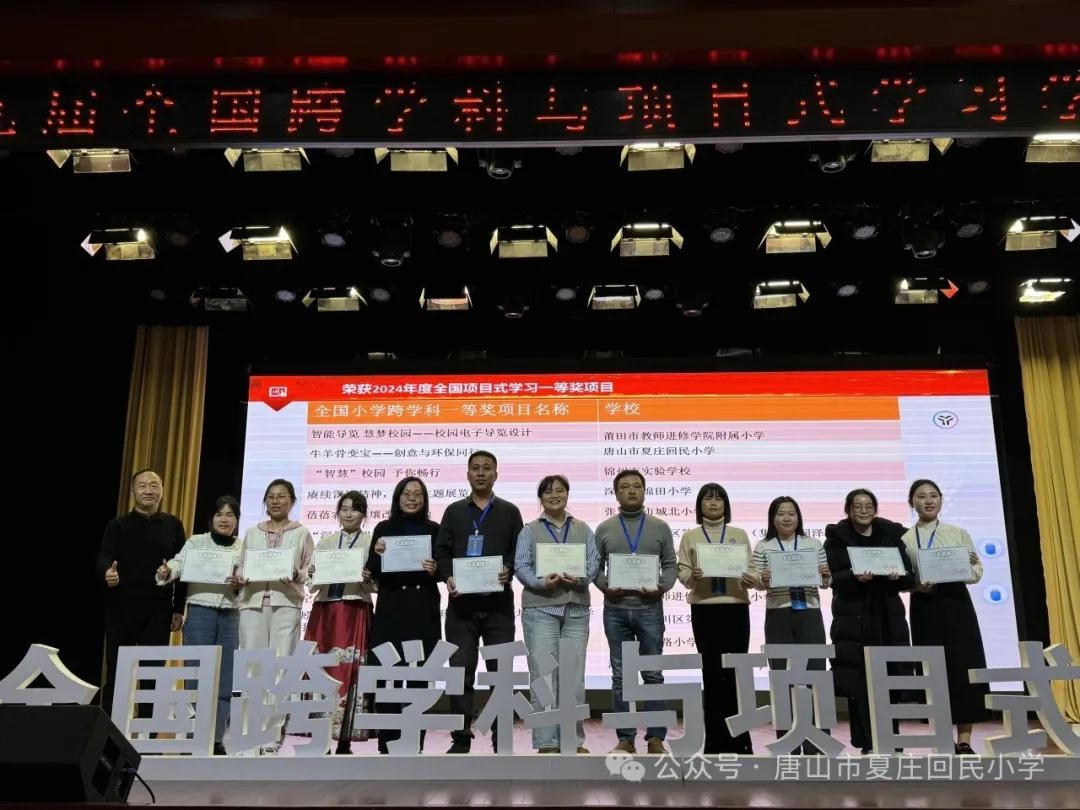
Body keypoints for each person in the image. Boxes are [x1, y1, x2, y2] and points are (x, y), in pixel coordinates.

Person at [434, 450, 524, 754]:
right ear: (468, 474)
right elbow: (442, 551)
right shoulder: (454, 511)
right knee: (460, 672)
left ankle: (502, 739)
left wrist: (508, 569)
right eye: (476, 468)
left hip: (499, 607)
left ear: (496, 474)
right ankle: (461, 738)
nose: (481, 473)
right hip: (461, 608)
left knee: (501, 675)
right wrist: (448, 577)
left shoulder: (510, 512)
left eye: (487, 468)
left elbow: (518, 550)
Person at [901, 478, 988, 755]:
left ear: (940, 499)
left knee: (965, 667)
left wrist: (968, 566)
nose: (928, 501)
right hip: (925, 606)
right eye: (921, 496)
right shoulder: (905, 539)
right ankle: (942, 739)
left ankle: (965, 740)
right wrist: (917, 586)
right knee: (932, 670)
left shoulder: (957, 533)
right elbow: (903, 579)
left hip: (957, 605)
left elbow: (976, 573)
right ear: (912, 503)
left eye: (933, 495)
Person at [823, 488, 913, 754]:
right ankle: (867, 742)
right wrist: (853, 576)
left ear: (875, 509)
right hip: (853, 618)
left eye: (868, 506)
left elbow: (909, 576)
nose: (863, 511)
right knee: (858, 682)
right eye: (857, 506)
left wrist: (898, 577)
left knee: (889, 678)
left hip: (887, 617)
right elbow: (831, 578)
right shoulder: (837, 538)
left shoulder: (891, 535)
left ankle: (891, 741)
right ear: (848, 510)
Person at [594, 469, 677, 755]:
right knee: (621, 676)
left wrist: (661, 587)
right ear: (616, 493)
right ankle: (625, 738)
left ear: (644, 491)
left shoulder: (660, 527)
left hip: (649, 609)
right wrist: (605, 586)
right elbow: (594, 567)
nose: (631, 490)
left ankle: (655, 738)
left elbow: (670, 564)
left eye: (637, 486)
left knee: (653, 674)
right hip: (615, 610)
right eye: (625, 486)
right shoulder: (604, 528)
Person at [514, 475, 599, 754]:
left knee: (573, 677)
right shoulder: (529, 531)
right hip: (540, 609)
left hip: (576, 610)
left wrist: (580, 578)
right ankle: (547, 741)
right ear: (540, 498)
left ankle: (572, 740)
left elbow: (594, 562)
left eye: (560, 490)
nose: (554, 495)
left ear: (567, 495)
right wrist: (541, 582)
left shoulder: (583, 529)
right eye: (548, 492)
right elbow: (521, 566)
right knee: (543, 675)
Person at [155, 495, 243, 756]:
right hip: (200, 611)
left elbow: (247, 580)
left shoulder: (243, 546)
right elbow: (178, 563)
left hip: (231, 614)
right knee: (196, 676)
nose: (224, 519)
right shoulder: (196, 542)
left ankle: (215, 738)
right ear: (211, 518)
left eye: (230, 514)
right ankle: (194, 736)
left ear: (237, 519)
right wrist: (167, 571)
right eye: (219, 514)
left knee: (225, 679)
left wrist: (240, 584)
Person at [97, 469, 187, 716]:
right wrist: (107, 572)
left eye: (154, 485)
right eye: (142, 485)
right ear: (132, 492)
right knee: (117, 671)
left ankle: (150, 731)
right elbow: (104, 555)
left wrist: (178, 608)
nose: (149, 490)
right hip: (121, 608)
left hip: (158, 609)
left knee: (153, 672)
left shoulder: (173, 525)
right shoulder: (118, 525)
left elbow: (183, 567)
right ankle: (109, 727)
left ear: (162, 491)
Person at [235, 478, 315, 755]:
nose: (275, 501)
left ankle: (271, 734)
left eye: (281, 496)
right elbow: (241, 565)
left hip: (286, 603)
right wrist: (240, 576)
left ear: (292, 501)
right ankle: (249, 733)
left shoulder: (301, 533)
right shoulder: (252, 533)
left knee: (280, 669)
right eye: (270, 496)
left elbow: (311, 571)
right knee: (252, 668)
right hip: (252, 603)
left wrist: (295, 574)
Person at [676, 483, 755, 754]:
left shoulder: (738, 534)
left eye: (718, 498)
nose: (713, 503)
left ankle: (740, 743)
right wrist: (692, 577)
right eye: (707, 499)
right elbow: (683, 573)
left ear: (725, 504)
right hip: (705, 610)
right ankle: (714, 744)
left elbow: (752, 569)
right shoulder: (690, 536)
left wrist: (751, 579)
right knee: (711, 675)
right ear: (699, 505)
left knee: (736, 675)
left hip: (735, 609)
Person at [366, 476, 441, 755]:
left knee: (420, 677)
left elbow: (444, 569)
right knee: (388, 675)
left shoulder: (434, 529)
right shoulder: (383, 528)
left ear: (425, 499)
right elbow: (372, 570)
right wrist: (377, 554)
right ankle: (387, 745)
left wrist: (437, 569)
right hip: (392, 607)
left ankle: (413, 745)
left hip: (422, 607)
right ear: (397, 498)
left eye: (418, 494)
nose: (412, 498)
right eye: (407, 493)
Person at [751, 495, 830, 754]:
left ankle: (818, 743)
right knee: (782, 677)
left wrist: (825, 576)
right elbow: (755, 581)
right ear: (772, 519)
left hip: (810, 612)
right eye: (781, 514)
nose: (786, 518)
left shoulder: (813, 544)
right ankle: (788, 744)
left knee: (815, 675)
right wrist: (762, 579)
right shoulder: (764, 546)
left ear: (799, 517)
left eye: (791, 513)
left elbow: (825, 581)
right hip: (778, 614)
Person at [305, 490, 376, 755]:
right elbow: (311, 582)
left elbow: (376, 583)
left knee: (351, 670)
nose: (348, 514)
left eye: (354, 509)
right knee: (323, 668)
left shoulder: (369, 542)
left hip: (355, 609)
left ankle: (345, 738)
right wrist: (313, 573)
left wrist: (368, 577)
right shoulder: (326, 542)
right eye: (344, 509)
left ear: (363, 514)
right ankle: (320, 737)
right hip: (325, 611)